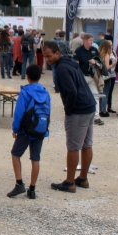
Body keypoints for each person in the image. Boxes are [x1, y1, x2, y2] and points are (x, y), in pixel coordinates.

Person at [43, 42, 96, 192]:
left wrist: (69, 109)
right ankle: (83, 178)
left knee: (73, 146)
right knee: (86, 144)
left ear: (57, 53)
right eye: (45, 56)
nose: (47, 59)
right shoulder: (71, 62)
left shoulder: (61, 68)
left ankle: (70, 182)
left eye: (49, 56)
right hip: (89, 105)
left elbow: (71, 92)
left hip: (79, 110)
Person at [8, 63, 51, 200]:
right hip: (40, 129)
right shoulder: (45, 92)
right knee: (35, 158)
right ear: (39, 76)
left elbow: (19, 112)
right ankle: (32, 189)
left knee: (15, 154)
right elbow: (48, 111)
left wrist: (15, 129)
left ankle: (19, 183)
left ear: (27, 77)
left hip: (26, 130)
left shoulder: (25, 92)